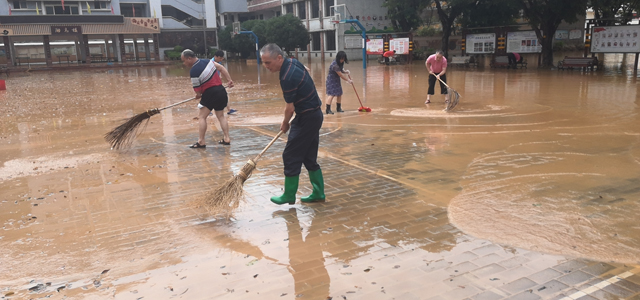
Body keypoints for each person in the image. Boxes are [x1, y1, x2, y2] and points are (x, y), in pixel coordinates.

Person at [260, 43, 325, 205]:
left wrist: (285, 124)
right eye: (263, 62)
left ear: (279, 58)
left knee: (290, 155)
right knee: (309, 157)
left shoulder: (286, 77)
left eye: (268, 62)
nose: (265, 66)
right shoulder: (293, 62)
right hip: (314, 114)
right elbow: (306, 70)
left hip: (307, 117)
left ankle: (289, 195)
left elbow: (290, 108)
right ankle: (318, 193)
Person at [181, 49, 234, 148]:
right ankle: (227, 138)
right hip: (221, 91)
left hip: (210, 94)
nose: (184, 63)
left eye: (184, 60)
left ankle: (201, 141)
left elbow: (198, 92)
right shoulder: (208, 61)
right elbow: (221, 68)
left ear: (189, 58)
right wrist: (229, 80)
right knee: (221, 116)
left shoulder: (193, 71)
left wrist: (198, 96)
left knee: (202, 117)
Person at [213, 50, 237, 115]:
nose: (221, 59)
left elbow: (220, 70)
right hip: (212, 83)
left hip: (216, 82)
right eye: (220, 58)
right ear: (215, 57)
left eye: (222, 58)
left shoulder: (219, 62)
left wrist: (219, 76)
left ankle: (229, 109)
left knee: (224, 94)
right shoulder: (211, 63)